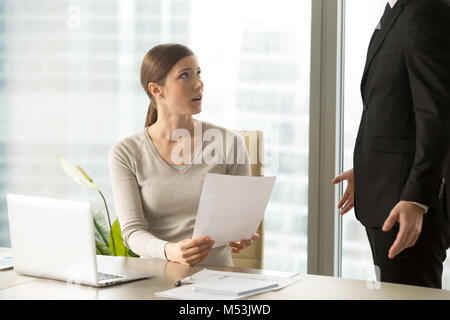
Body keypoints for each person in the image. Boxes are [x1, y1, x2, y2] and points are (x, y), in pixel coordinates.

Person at [332, 0, 450, 288]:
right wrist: (368, 168)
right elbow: (394, 111)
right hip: (388, 198)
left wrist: (416, 198)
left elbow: (437, 115)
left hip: (406, 206)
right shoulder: (397, 12)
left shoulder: (425, 10)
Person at [109, 43, 258, 267]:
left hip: (216, 281)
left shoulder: (230, 143)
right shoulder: (126, 153)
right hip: (152, 280)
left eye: (198, 73)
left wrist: (240, 234)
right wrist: (170, 251)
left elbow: (238, 222)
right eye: (185, 76)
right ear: (156, 89)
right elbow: (132, 232)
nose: (199, 83)